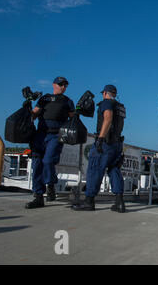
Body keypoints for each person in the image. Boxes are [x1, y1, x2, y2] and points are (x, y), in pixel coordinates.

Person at [72, 85, 127, 213]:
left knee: (95, 169)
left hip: (106, 144)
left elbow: (108, 118)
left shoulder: (106, 103)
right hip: (117, 144)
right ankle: (119, 202)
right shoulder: (121, 106)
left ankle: (89, 201)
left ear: (105, 93)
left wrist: (101, 138)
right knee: (114, 170)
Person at [26, 77, 75, 209]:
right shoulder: (45, 99)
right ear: (54, 85)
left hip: (55, 135)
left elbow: (73, 119)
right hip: (40, 134)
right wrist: (27, 107)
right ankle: (38, 196)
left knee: (48, 161)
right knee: (36, 164)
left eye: (65, 85)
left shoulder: (68, 101)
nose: (63, 87)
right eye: (61, 84)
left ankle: (50, 183)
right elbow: (34, 114)